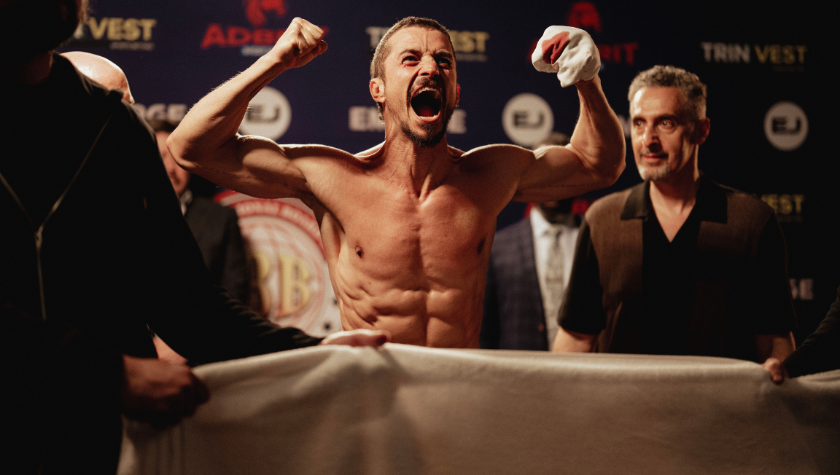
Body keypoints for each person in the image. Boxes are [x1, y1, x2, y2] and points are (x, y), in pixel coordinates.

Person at [0, 3, 385, 474]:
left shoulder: (117, 127)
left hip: (108, 448)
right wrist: (105, 374)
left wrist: (308, 353)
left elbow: (185, 304)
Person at [168, 17, 626, 348]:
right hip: (371, 390)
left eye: (443, 62)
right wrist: (273, 61)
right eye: (411, 59)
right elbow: (191, 147)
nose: (430, 68)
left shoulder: (489, 176)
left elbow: (597, 165)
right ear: (378, 91)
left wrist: (585, 77)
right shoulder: (331, 177)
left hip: (458, 390)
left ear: (456, 94)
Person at [552, 65, 796, 373]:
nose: (648, 139)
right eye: (639, 124)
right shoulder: (603, 220)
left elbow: (774, 340)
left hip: (720, 416)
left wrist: (781, 385)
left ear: (701, 130)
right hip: (620, 415)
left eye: (666, 123)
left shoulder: (752, 222)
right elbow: (576, 337)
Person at [481, 132, 581, 350]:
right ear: (528, 178)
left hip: (588, 374)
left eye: (562, 171)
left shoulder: (595, 238)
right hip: (516, 378)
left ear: (579, 177)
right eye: (543, 172)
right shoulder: (497, 247)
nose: (552, 181)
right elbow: (484, 332)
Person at [151, 119, 251, 304]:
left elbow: (235, 293)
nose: (171, 168)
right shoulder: (124, 214)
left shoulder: (220, 219)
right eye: (161, 156)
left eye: (177, 157)